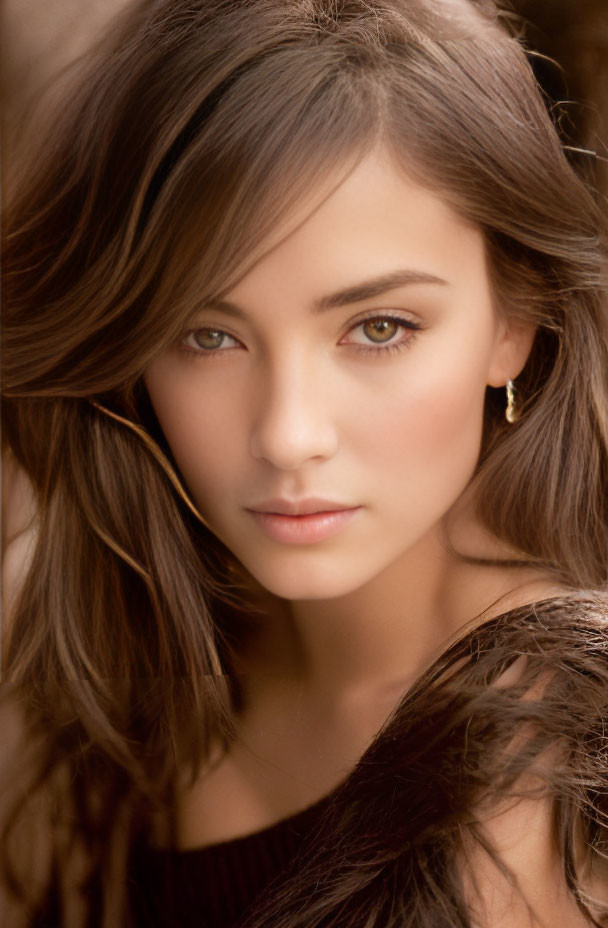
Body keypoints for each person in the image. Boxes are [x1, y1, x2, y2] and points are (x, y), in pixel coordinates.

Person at [1, 0, 607, 926]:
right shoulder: (111, 680)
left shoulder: (562, 762)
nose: (287, 435)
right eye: (207, 335)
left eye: (378, 328)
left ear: (513, 325)